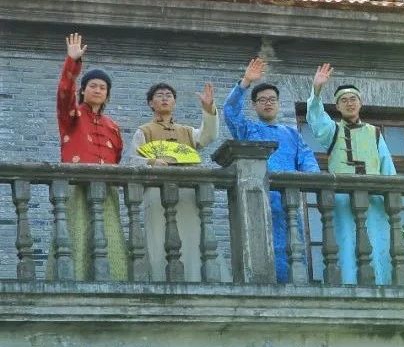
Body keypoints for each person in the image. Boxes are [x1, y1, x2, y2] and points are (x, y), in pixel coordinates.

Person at [223, 57, 321, 283]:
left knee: (292, 249)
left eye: (272, 99)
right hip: (257, 199)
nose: (268, 103)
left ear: (277, 103)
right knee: (258, 249)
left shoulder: (292, 134)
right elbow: (230, 112)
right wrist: (245, 83)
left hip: (288, 203)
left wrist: (314, 180)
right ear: (254, 105)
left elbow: (308, 162)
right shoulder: (247, 129)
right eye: (262, 100)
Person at [306, 63, 397, 285]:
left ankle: (380, 284)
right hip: (343, 199)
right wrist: (316, 91)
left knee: (377, 241)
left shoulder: (374, 132)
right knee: (345, 241)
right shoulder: (332, 130)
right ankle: (348, 283)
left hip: (374, 199)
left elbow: (387, 167)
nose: (349, 103)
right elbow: (316, 119)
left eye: (353, 99)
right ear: (337, 106)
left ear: (360, 103)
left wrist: (391, 196)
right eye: (344, 100)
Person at [50, 32, 128, 280]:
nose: (97, 90)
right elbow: (64, 95)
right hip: (76, 186)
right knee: (76, 234)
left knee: (109, 236)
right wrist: (72, 62)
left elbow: (117, 157)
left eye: (102, 87)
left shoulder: (113, 126)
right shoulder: (71, 116)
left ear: (107, 95)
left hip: (105, 189)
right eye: (92, 86)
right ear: (83, 90)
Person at [129, 82, 219, 282]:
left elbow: (209, 136)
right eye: (159, 95)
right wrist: (152, 162)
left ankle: (196, 279)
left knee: (193, 236)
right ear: (150, 103)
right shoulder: (144, 131)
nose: (164, 98)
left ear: (175, 102)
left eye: (169, 95)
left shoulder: (187, 131)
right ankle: (160, 280)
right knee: (158, 237)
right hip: (156, 192)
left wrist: (209, 109)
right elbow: (133, 160)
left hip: (188, 192)